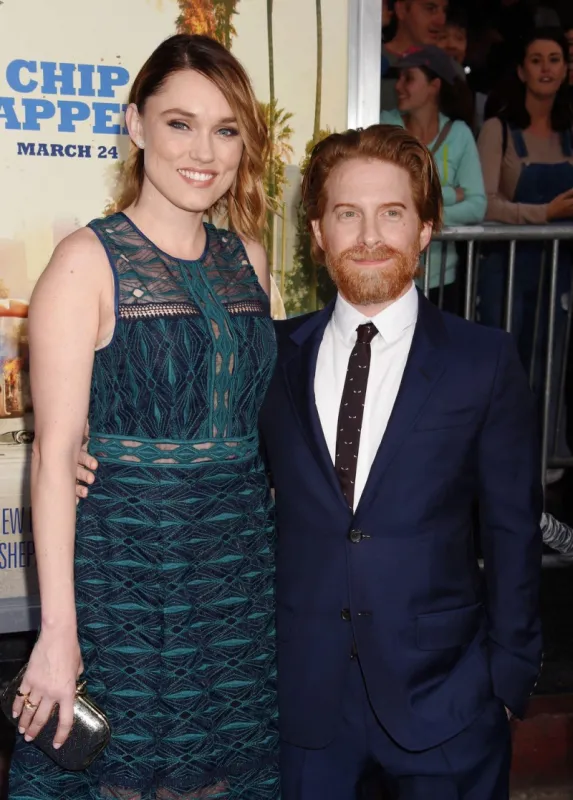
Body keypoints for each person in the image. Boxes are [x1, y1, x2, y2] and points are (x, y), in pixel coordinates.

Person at [78, 122, 544, 799]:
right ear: (318, 233)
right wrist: (86, 452)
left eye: (392, 213)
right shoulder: (271, 355)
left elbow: (512, 530)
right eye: (346, 215)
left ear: (424, 229)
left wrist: (508, 676)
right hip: (303, 702)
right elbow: (200, 458)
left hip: (447, 699)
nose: (369, 236)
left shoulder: (483, 360)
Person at [9, 34, 280, 800]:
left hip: (237, 573)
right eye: (179, 123)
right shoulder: (83, 263)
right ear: (135, 125)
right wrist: (57, 634)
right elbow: (55, 457)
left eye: (226, 130)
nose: (205, 151)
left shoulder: (249, 258)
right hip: (125, 574)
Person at [477, 27, 573, 484]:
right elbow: (485, 202)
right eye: (536, 59)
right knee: (509, 363)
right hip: (509, 267)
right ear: (521, 70)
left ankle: (546, 462)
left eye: (554, 59)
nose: (547, 68)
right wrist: (545, 213)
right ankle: (501, 463)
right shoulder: (498, 128)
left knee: (553, 359)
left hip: (561, 269)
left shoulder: (570, 132)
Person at [381, 45, 485, 311]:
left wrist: (413, 218)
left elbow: (476, 205)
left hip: (443, 280)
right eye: (399, 78)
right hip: (390, 272)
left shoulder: (459, 133)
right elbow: (384, 195)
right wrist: (450, 194)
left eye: (409, 78)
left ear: (434, 86)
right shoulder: (384, 126)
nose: (398, 86)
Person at [381, 0, 448, 110]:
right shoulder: (368, 61)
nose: (441, 20)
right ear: (401, 9)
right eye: (430, 8)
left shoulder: (451, 72)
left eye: (444, 10)